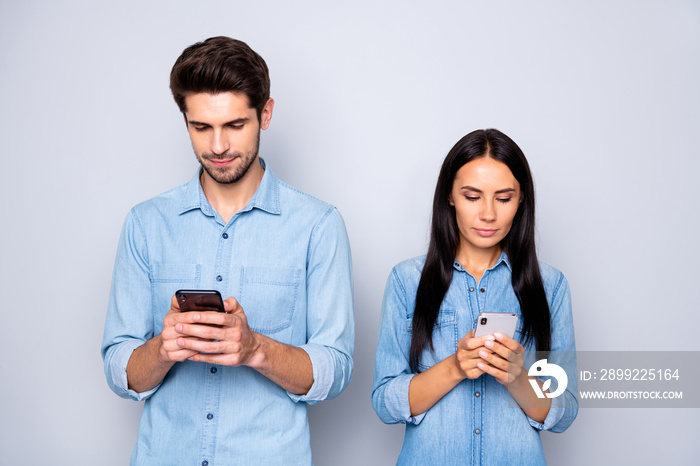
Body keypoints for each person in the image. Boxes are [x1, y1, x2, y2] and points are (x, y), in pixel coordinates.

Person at [101, 36, 354, 465]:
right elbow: (119, 367)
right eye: (201, 127)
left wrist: (256, 349)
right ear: (185, 121)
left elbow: (336, 368)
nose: (217, 146)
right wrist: (162, 348)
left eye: (235, 125)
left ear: (265, 114)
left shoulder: (318, 225)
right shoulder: (146, 223)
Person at [371, 129, 577, 465]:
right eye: (472, 196)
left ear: (521, 199)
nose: (488, 214)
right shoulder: (406, 281)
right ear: (449, 196)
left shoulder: (550, 286)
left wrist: (517, 377)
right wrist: (454, 367)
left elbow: (565, 410)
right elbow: (384, 402)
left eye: (504, 198)